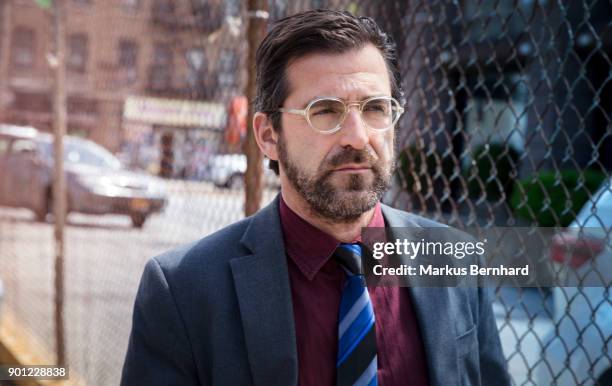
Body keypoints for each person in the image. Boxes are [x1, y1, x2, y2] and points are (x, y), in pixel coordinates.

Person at [121, 9, 511, 386]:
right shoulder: (183, 290)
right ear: (269, 136)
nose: (358, 137)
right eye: (324, 111)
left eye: (376, 108)